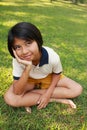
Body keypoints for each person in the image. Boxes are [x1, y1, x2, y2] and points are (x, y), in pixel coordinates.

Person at [4, 22, 82, 113]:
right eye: (18, 47)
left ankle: (29, 98)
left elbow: (57, 74)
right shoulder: (17, 60)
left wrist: (48, 94)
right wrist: (27, 68)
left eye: (28, 43)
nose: (24, 51)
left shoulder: (52, 56)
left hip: (49, 77)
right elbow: (17, 91)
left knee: (77, 89)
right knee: (10, 98)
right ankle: (54, 99)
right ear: (13, 50)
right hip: (29, 80)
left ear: (38, 41)